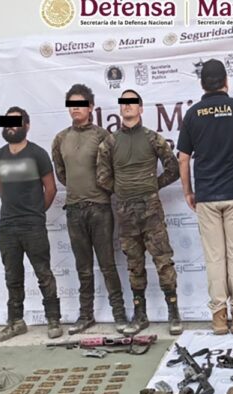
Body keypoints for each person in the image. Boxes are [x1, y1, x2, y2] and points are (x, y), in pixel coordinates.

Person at [177, 59, 233, 335]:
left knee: (215, 258)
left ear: (202, 84)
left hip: (207, 196)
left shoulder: (192, 114)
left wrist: (188, 191)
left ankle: (217, 317)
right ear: (226, 81)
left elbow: (182, 159)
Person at [97, 89, 181, 336]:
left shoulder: (153, 138)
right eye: (123, 102)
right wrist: (123, 190)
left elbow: (173, 168)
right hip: (125, 213)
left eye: (132, 102)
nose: (128, 106)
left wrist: (151, 186)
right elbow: (102, 177)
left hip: (151, 211)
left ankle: (173, 313)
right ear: (120, 108)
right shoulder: (110, 142)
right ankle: (140, 314)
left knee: (163, 261)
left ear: (141, 108)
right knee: (134, 265)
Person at [51, 84, 127, 334]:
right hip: (74, 209)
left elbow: (112, 170)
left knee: (107, 264)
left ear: (91, 107)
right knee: (83, 267)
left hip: (100, 208)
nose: (75, 109)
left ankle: (119, 315)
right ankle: (86, 315)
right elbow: (61, 173)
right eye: (71, 105)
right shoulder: (60, 139)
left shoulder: (103, 136)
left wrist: (98, 191)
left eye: (80, 104)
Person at [0, 107, 62, 342]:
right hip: (7, 226)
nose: (10, 126)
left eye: (16, 122)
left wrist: (35, 212)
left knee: (43, 273)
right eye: (7, 122)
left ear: (27, 126)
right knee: (12, 276)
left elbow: (50, 189)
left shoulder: (37, 154)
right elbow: (0, 189)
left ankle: (53, 319)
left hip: (33, 226)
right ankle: (16, 322)